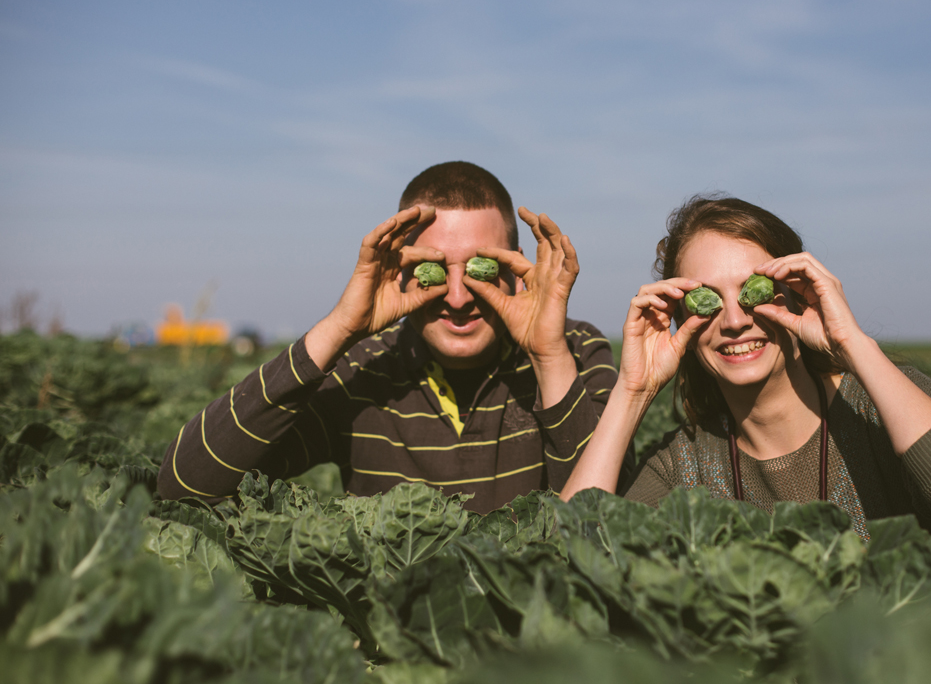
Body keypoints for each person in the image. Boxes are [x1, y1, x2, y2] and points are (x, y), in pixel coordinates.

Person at [158, 161, 619, 514]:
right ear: (399, 270)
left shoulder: (576, 351)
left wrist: (549, 355)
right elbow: (183, 485)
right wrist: (341, 326)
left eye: (484, 269)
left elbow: (601, 519)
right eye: (432, 270)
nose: (458, 297)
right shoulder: (361, 369)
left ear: (520, 269)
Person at [561, 195, 931, 540]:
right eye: (710, 301)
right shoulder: (683, 466)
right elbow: (570, 556)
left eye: (755, 291)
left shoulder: (881, 410)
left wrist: (850, 343)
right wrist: (633, 392)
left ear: (800, 294)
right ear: (683, 323)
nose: (735, 321)